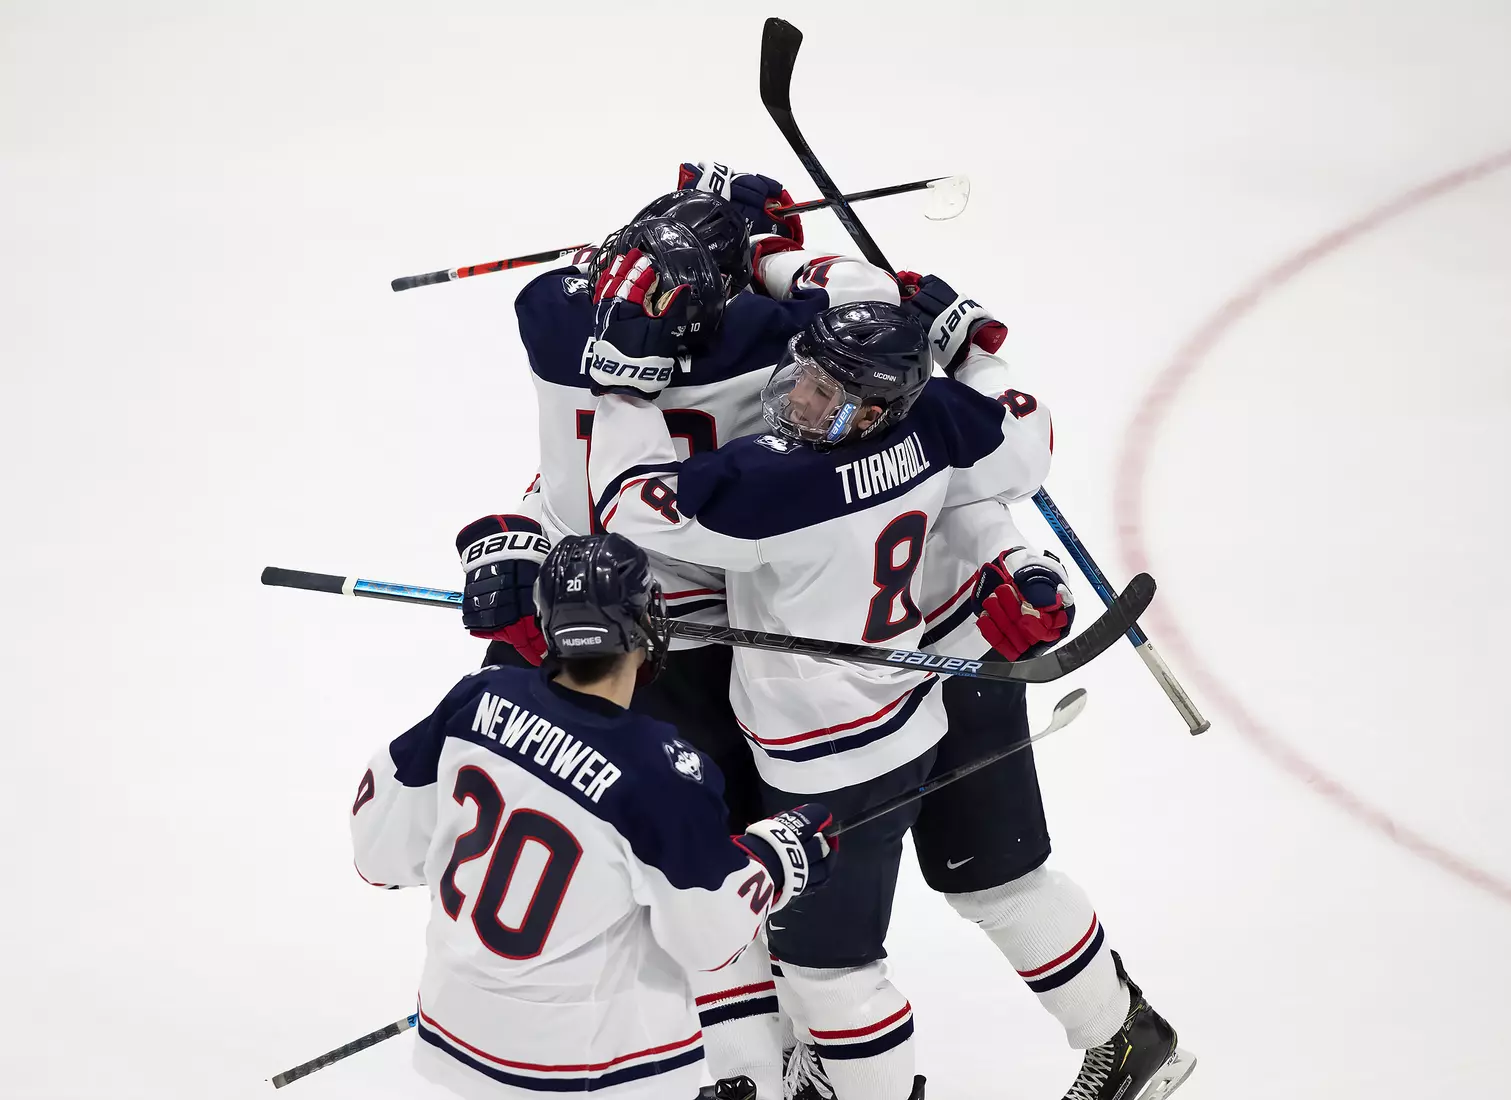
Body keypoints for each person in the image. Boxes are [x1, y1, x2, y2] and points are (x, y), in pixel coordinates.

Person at [587, 241, 1193, 1100]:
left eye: (827, 393)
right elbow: (1026, 439)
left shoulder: (771, 484)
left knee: (824, 965)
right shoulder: (938, 414)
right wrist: (974, 347)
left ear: (873, 408)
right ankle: (1130, 1037)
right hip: (953, 662)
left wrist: (622, 385)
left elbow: (626, 504)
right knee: (1002, 884)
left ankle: (862, 1083)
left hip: (833, 747)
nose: (800, 400)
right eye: (805, 376)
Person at [456, 167, 904, 1099]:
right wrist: (764, 244)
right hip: (653, 635)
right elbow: (870, 299)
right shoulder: (759, 333)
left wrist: (738, 242)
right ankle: (740, 1060)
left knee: (671, 867)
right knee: (685, 871)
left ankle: (739, 1062)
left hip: (641, 636)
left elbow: (580, 475)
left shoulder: (561, 314)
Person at [350, 532, 837, 1100]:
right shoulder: (662, 772)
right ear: (645, 625)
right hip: (592, 1073)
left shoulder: (475, 698)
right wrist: (776, 858)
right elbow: (710, 941)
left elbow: (378, 856)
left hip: (453, 1033)